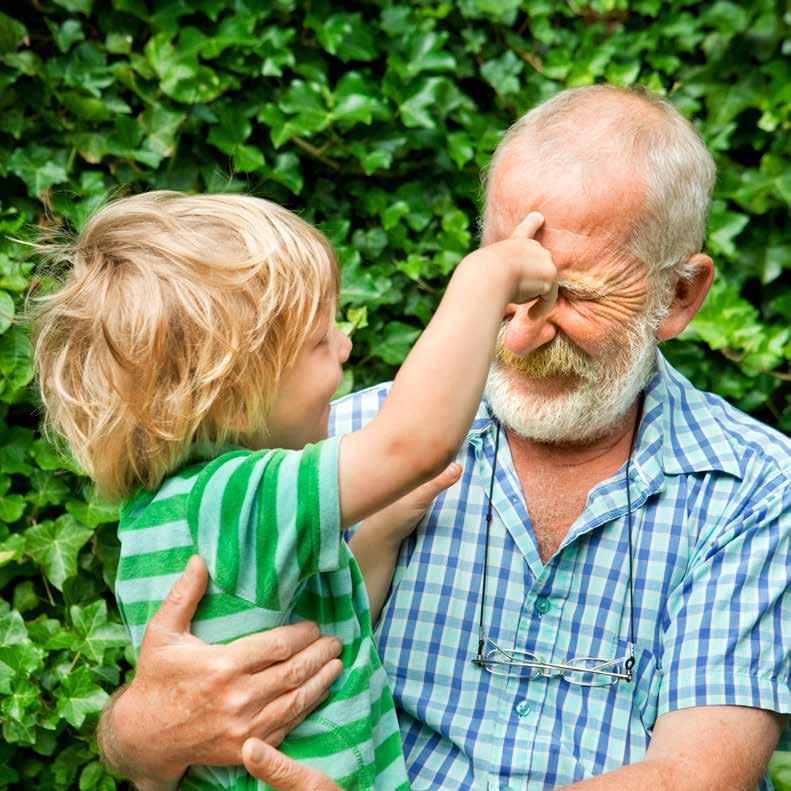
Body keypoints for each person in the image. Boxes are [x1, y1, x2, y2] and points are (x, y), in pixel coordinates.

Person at [99, 85, 789, 790]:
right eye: (508, 279)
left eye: (572, 294)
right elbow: (203, 680)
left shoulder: (754, 486)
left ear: (679, 296)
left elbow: (695, 776)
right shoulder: (327, 445)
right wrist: (142, 728)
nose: (520, 330)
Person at [31, 191, 557, 789]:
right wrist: (486, 276)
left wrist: (380, 533)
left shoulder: (166, 512)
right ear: (232, 390)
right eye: (319, 341)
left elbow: (314, 629)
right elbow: (414, 442)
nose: (346, 346)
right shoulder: (235, 500)